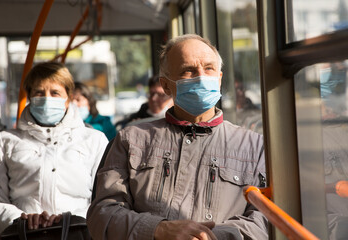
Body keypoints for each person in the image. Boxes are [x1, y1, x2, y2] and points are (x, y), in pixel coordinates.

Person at [87, 34, 267, 240]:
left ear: (219, 78)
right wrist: (158, 229)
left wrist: (209, 236)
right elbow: (102, 215)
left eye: (209, 68)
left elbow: (264, 219)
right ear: (166, 86)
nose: (201, 77)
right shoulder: (131, 140)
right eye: (187, 71)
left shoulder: (254, 146)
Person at [0, 62, 108, 239]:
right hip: (21, 235)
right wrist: (19, 220)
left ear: (68, 97)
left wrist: (73, 220)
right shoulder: (7, 141)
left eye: (55, 93)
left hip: (79, 233)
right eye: (39, 92)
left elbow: (107, 199)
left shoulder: (93, 140)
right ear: (29, 97)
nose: (46, 99)